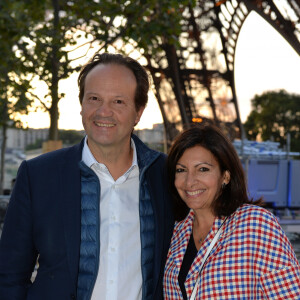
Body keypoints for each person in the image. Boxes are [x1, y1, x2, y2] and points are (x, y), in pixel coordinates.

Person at [0, 53, 174, 300]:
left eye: (118, 102)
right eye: (94, 98)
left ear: (138, 112)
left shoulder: (168, 177)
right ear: (81, 105)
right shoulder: (38, 175)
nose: (104, 112)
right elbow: (9, 276)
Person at [163, 123, 300, 299]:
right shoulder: (174, 231)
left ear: (225, 176)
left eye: (203, 169)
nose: (189, 182)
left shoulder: (256, 225)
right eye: (181, 170)